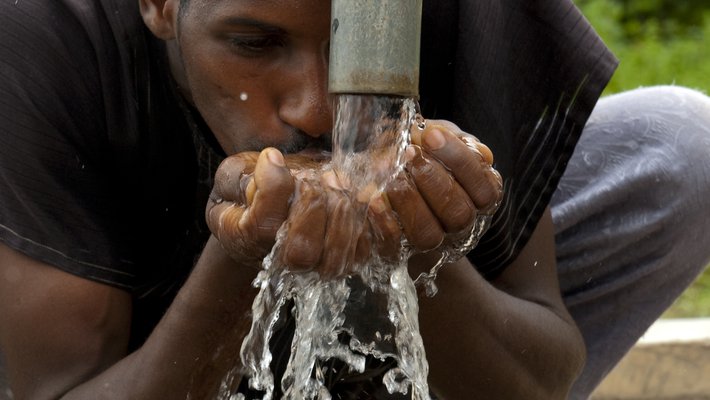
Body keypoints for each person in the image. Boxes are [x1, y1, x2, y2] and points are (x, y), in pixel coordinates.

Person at [1, 0, 709, 399]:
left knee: (680, 144)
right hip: (148, 353)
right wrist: (239, 260)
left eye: (361, 49)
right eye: (253, 44)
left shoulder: (477, 16)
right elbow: (59, 389)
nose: (317, 110)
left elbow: (538, 379)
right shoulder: (45, 36)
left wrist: (423, 256)